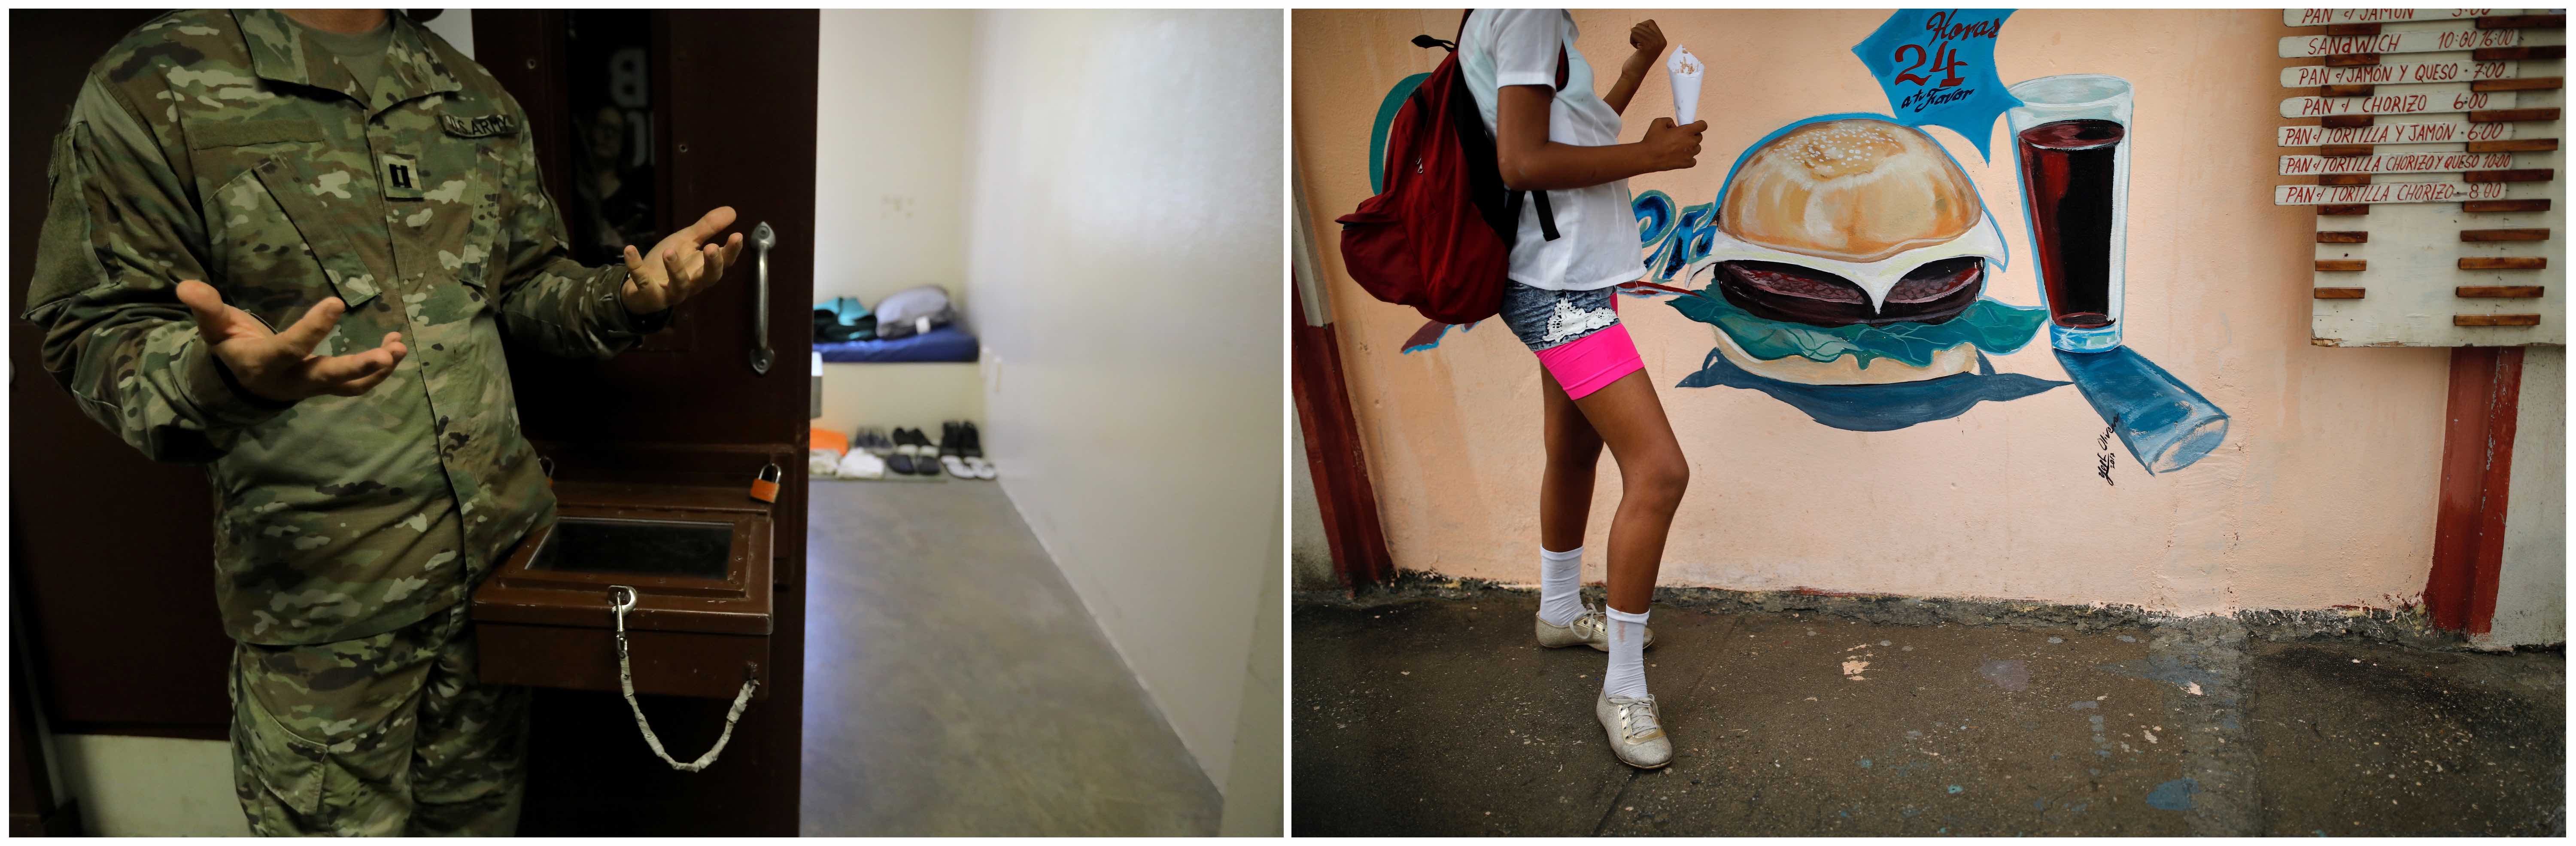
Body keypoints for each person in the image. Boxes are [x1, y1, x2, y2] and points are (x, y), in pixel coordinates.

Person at [21, 9, 744, 835]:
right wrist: (218, 376)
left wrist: (623, 297)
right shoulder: (159, 79)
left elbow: (520, 287)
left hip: (493, 583)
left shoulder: (471, 94)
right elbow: (93, 328)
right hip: (327, 605)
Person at [1457, 9, 1704, 769]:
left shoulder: (1530, 16)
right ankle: (1622, 688)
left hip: (1576, 277)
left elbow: (1568, 135)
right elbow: (1523, 161)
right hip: (1557, 290)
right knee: (1660, 472)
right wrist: (1655, 158)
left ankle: (1560, 609)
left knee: (1573, 451)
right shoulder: (1527, 10)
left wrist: (1635, 72)